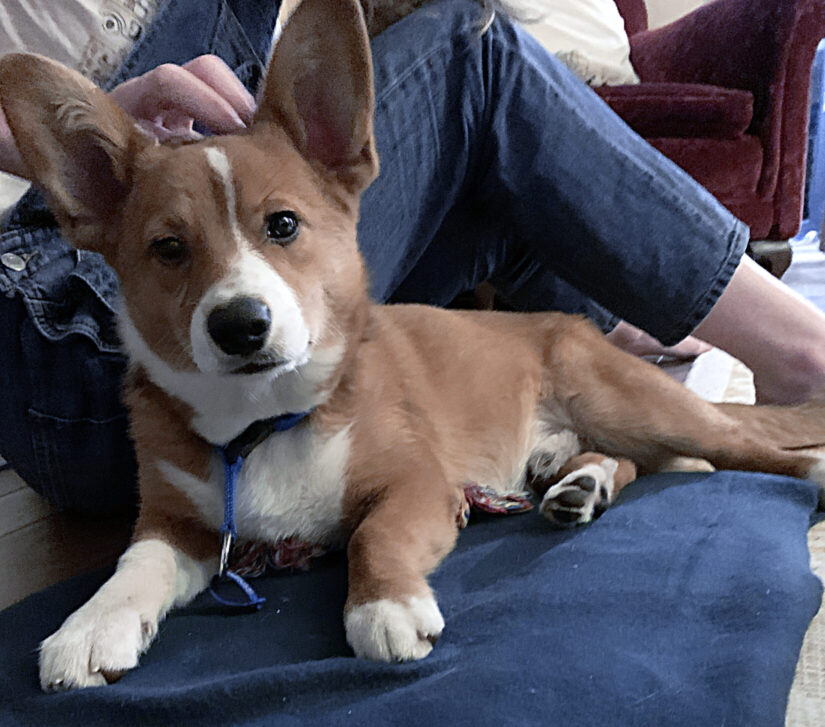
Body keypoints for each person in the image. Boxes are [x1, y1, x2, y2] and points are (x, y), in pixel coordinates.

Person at [2, 0, 825, 514]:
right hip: (75, 335)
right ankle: (797, 352)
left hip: (228, 321)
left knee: (483, 201)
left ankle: (602, 382)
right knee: (473, 49)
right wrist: (109, 120)